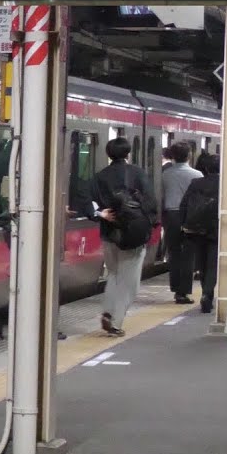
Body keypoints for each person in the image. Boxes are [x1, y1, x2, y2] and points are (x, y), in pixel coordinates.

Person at [91, 137, 157, 337]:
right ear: (128, 153)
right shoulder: (138, 173)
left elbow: (93, 202)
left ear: (108, 154)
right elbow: (150, 202)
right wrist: (148, 223)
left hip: (109, 233)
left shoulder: (100, 176)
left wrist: (102, 215)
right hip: (133, 234)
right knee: (130, 283)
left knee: (113, 274)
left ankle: (107, 311)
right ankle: (115, 322)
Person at [159, 141, 202, 304]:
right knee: (189, 254)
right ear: (189, 155)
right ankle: (183, 292)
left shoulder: (165, 174)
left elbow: (161, 196)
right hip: (190, 216)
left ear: (172, 156)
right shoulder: (197, 175)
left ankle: (176, 288)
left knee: (174, 253)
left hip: (171, 215)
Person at [179, 153, 219, 313]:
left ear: (206, 168)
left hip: (197, 228)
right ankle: (208, 294)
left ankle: (205, 292)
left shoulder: (196, 183)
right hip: (217, 229)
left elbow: (184, 204)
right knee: (213, 264)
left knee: (202, 263)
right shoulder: (225, 185)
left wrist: (183, 224)